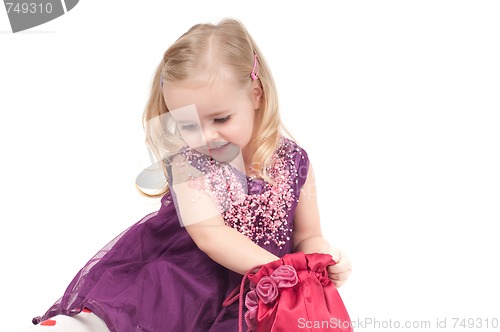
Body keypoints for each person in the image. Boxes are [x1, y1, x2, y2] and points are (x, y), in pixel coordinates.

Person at [26, 18, 352, 332]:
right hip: (191, 277)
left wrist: (320, 258)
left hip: (265, 289)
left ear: (256, 95)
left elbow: (307, 234)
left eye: (220, 119)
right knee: (140, 305)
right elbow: (211, 236)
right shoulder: (190, 164)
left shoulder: (295, 162)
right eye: (189, 125)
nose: (206, 136)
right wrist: (279, 270)